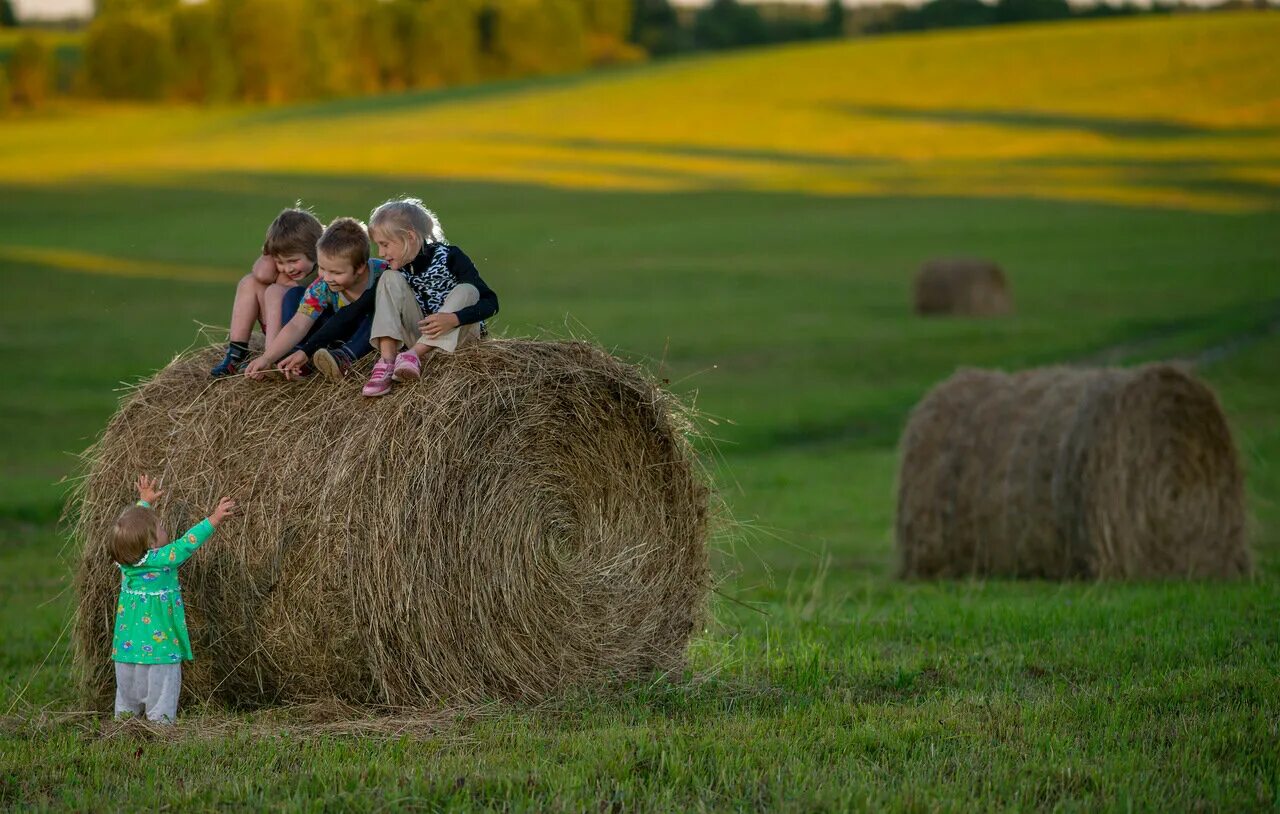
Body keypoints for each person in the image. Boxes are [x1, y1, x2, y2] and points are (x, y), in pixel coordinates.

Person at [110, 475, 235, 723]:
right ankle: (160, 727)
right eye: (161, 529)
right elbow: (187, 544)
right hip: (160, 652)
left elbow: (133, 529)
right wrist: (214, 518)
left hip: (126, 652)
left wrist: (144, 503)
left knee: (126, 697)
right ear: (152, 544)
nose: (165, 530)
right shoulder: (162, 560)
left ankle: (124, 726)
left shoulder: (126, 564)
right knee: (162, 696)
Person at [361, 198, 499, 397]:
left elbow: (491, 302)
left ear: (409, 236)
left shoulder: (450, 256)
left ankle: (414, 354)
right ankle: (388, 362)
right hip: (419, 336)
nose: (381, 253)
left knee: (468, 290)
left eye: (385, 245)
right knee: (388, 278)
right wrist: (308, 349)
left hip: (460, 340)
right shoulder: (396, 269)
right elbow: (356, 309)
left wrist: (453, 319)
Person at [245, 217, 385, 381]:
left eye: (336, 273)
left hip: (368, 335)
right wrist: (267, 358)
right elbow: (297, 324)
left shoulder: (383, 274)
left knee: (378, 311)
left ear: (360, 267)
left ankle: (345, 357)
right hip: (335, 333)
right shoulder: (322, 286)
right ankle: (295, 359)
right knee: (293, 295)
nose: (326, 277)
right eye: (322, 268)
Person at [210, 208, 323, 377]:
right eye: (280, 262)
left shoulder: (324, 271)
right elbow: (262, 273)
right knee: (249, 282)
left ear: (314, 251)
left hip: (303, 333)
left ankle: (270, 358)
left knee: (275, 291)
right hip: (278, 328)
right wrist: (270, 251)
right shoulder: (284, 270)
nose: (287, 268)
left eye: (293, 261)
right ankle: (236, 353)